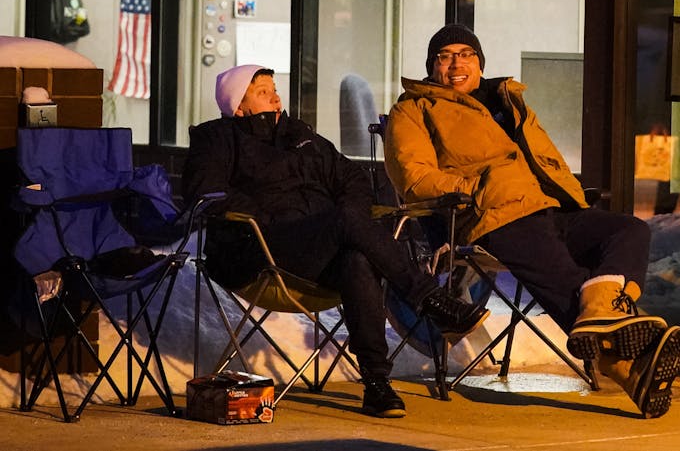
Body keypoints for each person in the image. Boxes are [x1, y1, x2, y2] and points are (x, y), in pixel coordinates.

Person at [384, 24, 680, 419]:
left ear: (479, 64)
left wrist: (571, 195)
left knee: (629, 230)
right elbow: (414, 178)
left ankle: (604, 318)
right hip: (491, 213)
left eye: (466, 54)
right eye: (445, 56)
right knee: (561, 272)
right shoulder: (413, 109)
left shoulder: (509, 101)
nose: (456, 63)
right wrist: (480, 188)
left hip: (551, 206)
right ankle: (630, 367)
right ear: (432, 67)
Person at [183, 64, 486, 419]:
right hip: (263, 251)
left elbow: (353, 179)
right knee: (346, 222)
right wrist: (270, 220)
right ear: (238, 106)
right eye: (262, 92)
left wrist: (345, 217)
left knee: (357, 258)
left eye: (274, 88)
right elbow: (206, 195)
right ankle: (431, 300)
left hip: (320, 248)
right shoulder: (218, 139)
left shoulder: (301, 136)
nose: (275, 95)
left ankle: (376, 384)